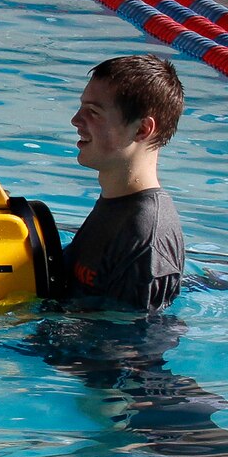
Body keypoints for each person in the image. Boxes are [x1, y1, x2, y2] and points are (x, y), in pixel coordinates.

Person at [62, 54, 187, 313]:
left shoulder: (146, 240)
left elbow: (128, 348)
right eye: (81, 107)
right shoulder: (117, 204)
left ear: (142, 130)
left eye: (93, 112)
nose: (75, 120)